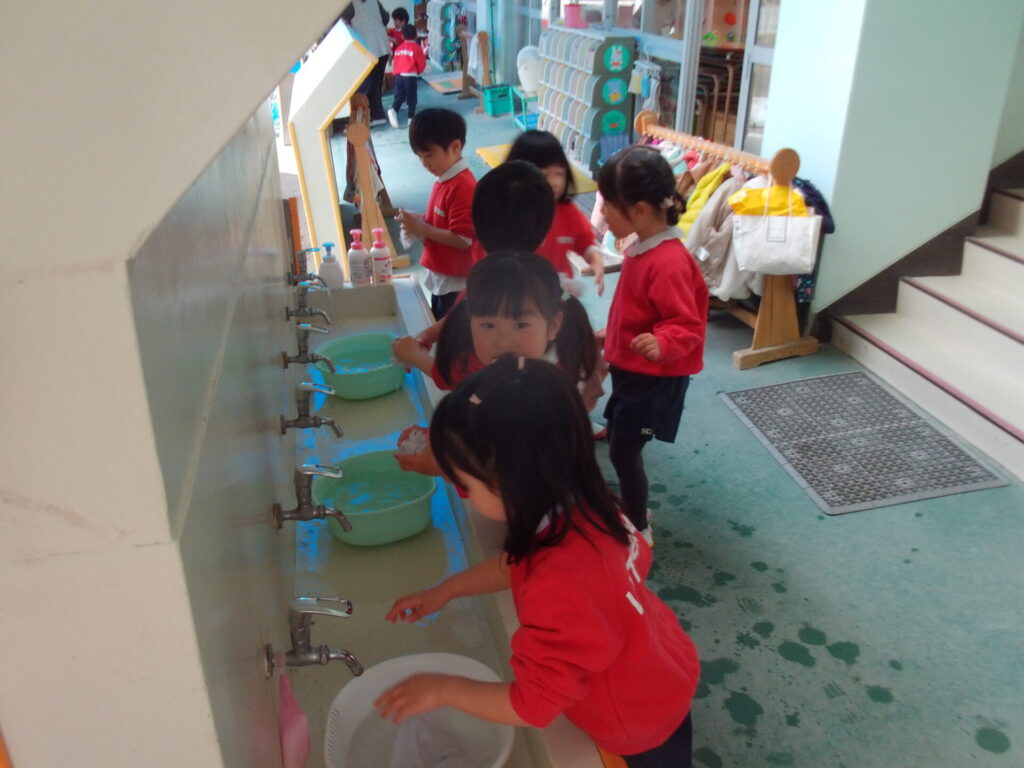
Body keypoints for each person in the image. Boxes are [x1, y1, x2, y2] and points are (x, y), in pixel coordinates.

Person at [376, 357, 700, 768]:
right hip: (660, 665)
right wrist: (448, 589)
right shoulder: (582, 503)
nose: (462, 490)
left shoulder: (559, 582)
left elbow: (533, 705)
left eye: (465, 482)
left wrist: (441, 689)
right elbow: (521, 562)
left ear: (514, 482)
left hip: (633, 720)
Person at [393, 251, 602, 476]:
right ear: (470, 323)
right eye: (487, 325)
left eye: (521, 325)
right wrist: (441, 438)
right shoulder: (494, 372)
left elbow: (509, 474)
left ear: (552, 326)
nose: (502, 342)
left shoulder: (548, 392)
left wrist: (442, 464)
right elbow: (477, 419)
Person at [598, 145, 708, 543]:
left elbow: (687, 324)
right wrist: (609, 335)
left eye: (607, 206)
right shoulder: (642, 247)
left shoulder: (668, 262)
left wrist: (663, 342)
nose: (602, 214)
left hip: (654, 379)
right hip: (633, 369)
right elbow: (637, 309)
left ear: (640, 210)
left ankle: (638, 528)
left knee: (623, 452)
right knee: (618, 438)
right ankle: (633, 512)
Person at [505, 130, 606, 295]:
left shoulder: (567, 211)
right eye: (544, 175)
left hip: (558, 293)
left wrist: (594, 258)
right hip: (517, 294)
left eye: (560, 173)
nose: (554, 182)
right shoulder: (507, 215)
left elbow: (584, 241)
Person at [398, 109, 477, 319]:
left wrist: (421, 227)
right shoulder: (444, 180)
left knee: (449, 331)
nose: (424, 163)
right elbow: (443, 223)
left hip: (457, 283)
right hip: (443, 275)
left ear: (455, 147)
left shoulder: (463, 187)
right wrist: (420, 221)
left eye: (429, 155)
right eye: (419, 156)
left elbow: (463, 239)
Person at [341, 0, 392, 125]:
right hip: (382, 45)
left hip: (369, 49)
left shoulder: (349, 5)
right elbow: (385, 18)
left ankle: (378, 116)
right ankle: (377, 114)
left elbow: (343, 24)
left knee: (370, 84)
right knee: (376, 83)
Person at [387, 25, 427, 128]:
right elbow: (421, 63)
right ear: (416, 35)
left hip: (398, 75)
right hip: (410, 75)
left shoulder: (399, 48)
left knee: (399, 96)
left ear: (403, 36)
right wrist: (418, 71)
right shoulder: (416, 48)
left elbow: (396, 62)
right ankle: (410, 118)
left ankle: (394, 109)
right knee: (411, 97)